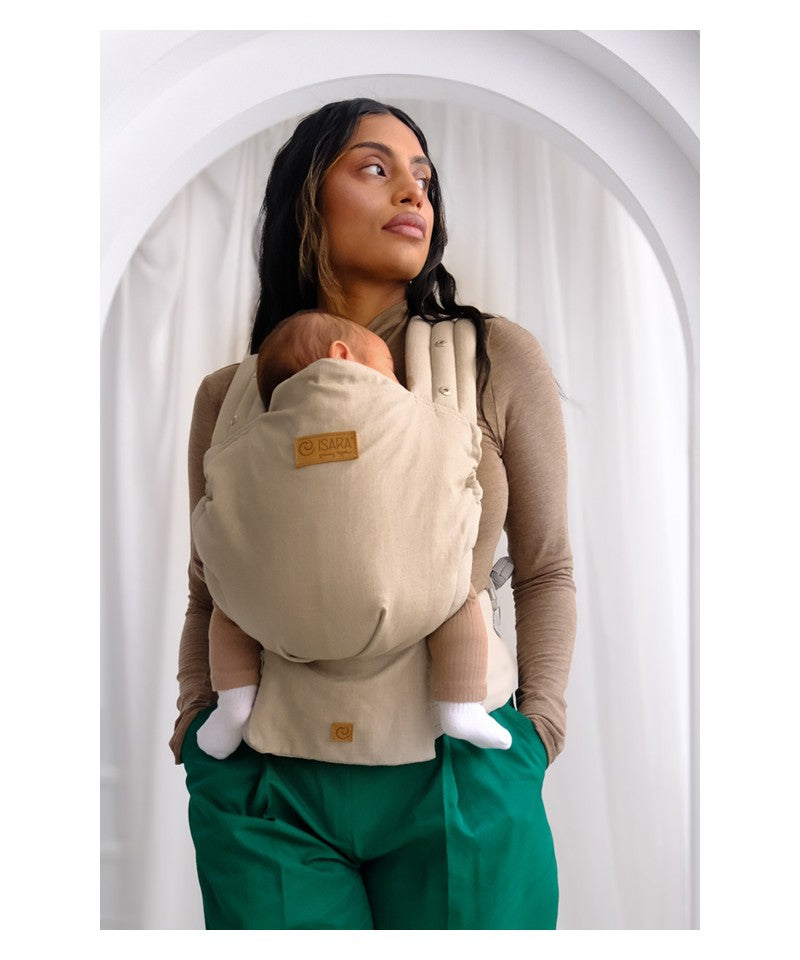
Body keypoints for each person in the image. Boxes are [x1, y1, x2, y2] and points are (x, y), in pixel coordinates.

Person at [170, 98, 576, 930]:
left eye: (423, 176)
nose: (413, 192)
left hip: (459, 771)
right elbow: (210, 589)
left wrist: (539, 731)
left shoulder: (494, 358)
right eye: (376, 168)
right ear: (306, 198)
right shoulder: (230, 395)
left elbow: (544, 568)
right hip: (266, 783)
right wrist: (194, 722)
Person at [194, 307, 512, 760]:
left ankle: (232, 705)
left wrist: (544, 725)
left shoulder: (243, 428)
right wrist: (189, 707)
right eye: (389, 369)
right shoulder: (219, 392)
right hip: (415, 629)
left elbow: (211, 563)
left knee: (230, 606)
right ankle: (460, 707)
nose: (395, 381)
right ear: (341, 356)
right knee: (458, 596)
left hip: (271, 622)